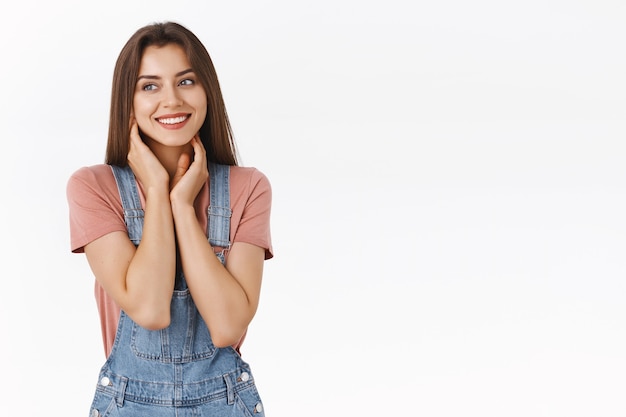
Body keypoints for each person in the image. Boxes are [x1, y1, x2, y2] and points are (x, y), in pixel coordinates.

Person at [66, 21, 272, 416]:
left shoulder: (249, 188)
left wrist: (183, 206)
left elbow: (227, 327)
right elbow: (150, 309)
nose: (172, 100)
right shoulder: (93, 187)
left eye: (186, 81)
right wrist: (158, 191)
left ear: (207, 89)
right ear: (127, 99)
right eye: (150, 86)